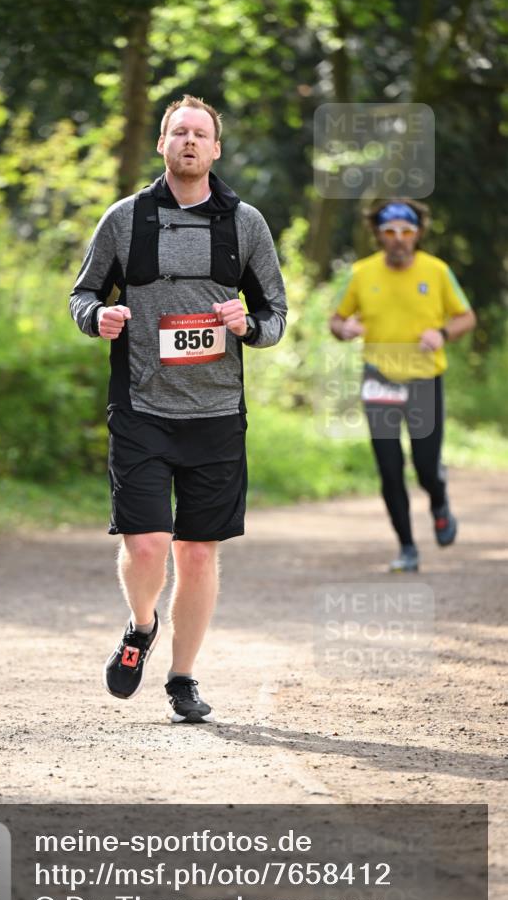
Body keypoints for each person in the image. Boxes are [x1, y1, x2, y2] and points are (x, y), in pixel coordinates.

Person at [70, 94, 286, 722]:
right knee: (146, 546)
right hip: (140, 407)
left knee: (197, 551)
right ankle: (141, 627)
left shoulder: (245, 224)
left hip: (217, 414)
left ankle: (183, 678)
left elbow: (276, 315)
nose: (190, 141)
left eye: (201, 134)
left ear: (216, 150)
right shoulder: (126, 219)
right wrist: (98, 317)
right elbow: (83, 294)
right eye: (179, 132)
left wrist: (249, 326)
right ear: (162, 144)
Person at [329, 199, 476, 572]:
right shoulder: (362, 273)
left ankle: (439, 501)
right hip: (379, 378)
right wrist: (344, 329)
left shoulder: (437, 271)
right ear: (378, 234)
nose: (398, 239)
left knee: (426, 467)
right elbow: (337, 319)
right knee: (390, 468)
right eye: (390, 232)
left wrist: (442, 332)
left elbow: (466, 317)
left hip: (424, 379)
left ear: (417, 234)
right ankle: (408, 547)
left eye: (406, 232)